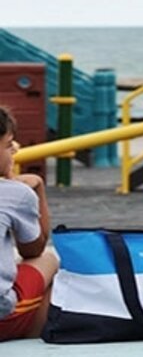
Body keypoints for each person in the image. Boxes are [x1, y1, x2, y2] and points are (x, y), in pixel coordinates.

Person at [0, 107, 58, 341]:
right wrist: (37, 188)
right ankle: (31, 334)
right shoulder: (14, 194)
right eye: (8, 145)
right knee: (49, 261)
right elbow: (33, 250)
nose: (14, 151)